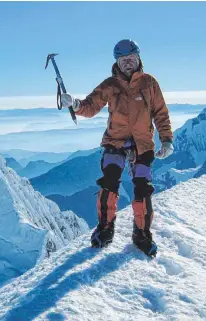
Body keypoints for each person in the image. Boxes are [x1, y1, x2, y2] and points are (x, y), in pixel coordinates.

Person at [60, 39, 174, 257]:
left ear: (139, 59)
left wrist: (166, 139)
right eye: (123, 60)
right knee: (109, 182)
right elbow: (91, 105)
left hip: (142, 144)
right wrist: (74, 104)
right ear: (117, 63)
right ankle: (105, 230)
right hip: (115, 142)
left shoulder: (150, 84)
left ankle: (142, 234)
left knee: (143, 187)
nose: (127, 63)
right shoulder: (110, 85)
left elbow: (161, 113)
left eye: (131, 59)